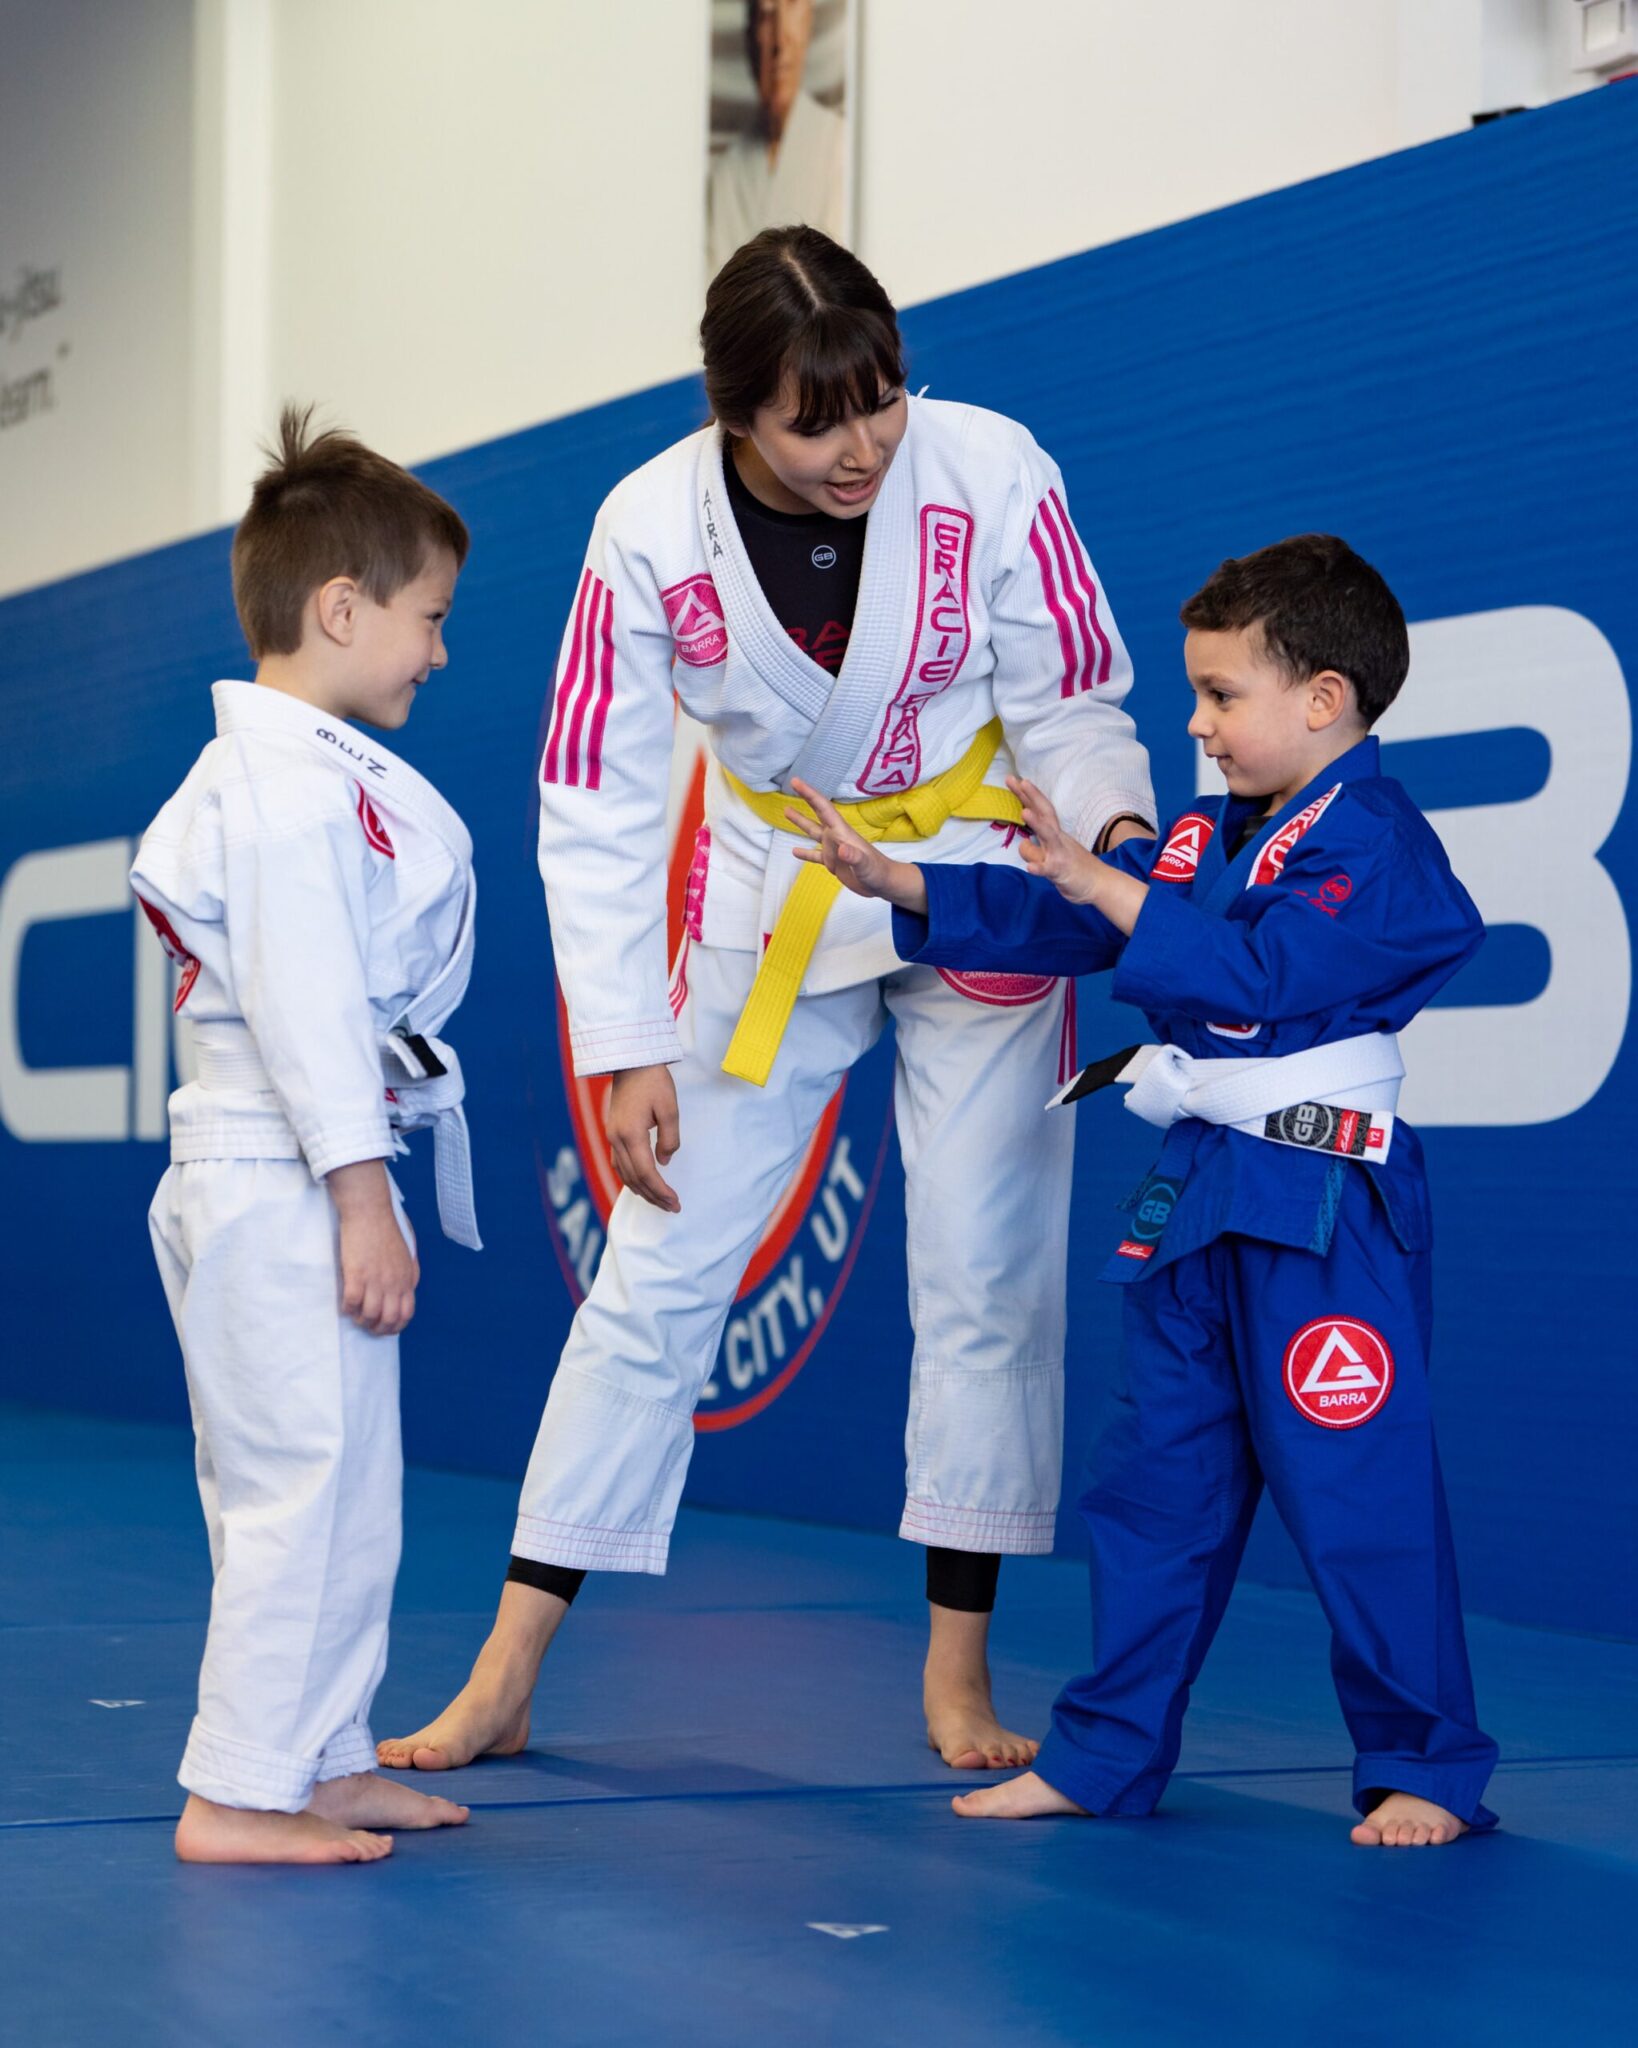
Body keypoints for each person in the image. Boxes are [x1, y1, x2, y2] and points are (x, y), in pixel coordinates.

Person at [378, 225, 1155, 1778]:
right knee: (655, 1275)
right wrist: (621, 1042)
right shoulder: (646, 527)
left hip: (977, 877)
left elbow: (1070, 694)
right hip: (773, 896)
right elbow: (596, 792)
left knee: (986, 1275)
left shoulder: (990, 465)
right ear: (734, 411)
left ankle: (956, 1676)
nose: (862, 444)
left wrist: (1112, 842)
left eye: (880, 400)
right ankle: (508, 1669)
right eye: (817, 421)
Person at [790, 534, 1500, 1846]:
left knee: (1358, 1494)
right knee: (1153, 1491)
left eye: (1221, 694)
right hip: (1200, 1197)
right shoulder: (1200, 838)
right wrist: (899, 882)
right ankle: (1103, 1754)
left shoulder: (1383, 850)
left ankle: (1426, 1765)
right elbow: (1078, 925)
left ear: (1322, 698)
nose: (1197, 722)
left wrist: (1102, 881)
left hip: (1322, 1205)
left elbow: (1261, 974)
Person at [131, 408, 480, 1864]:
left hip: (284, 1169)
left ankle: (317, 1757)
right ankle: (234, 1795)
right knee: (295, 1486)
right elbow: (306, 1003)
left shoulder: (305, 773)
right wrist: (359, 1196)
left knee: (340, 1485)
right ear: (340, 610)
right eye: (427, 619)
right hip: (282, 1173)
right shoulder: (278, 791)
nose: (439, 652)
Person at [707, 0, 846, 277]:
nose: (780, 42)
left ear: (808, 24)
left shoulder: (838, 145)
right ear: (751, 37)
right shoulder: (726, 175)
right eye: (768, 17)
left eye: (792, 8)